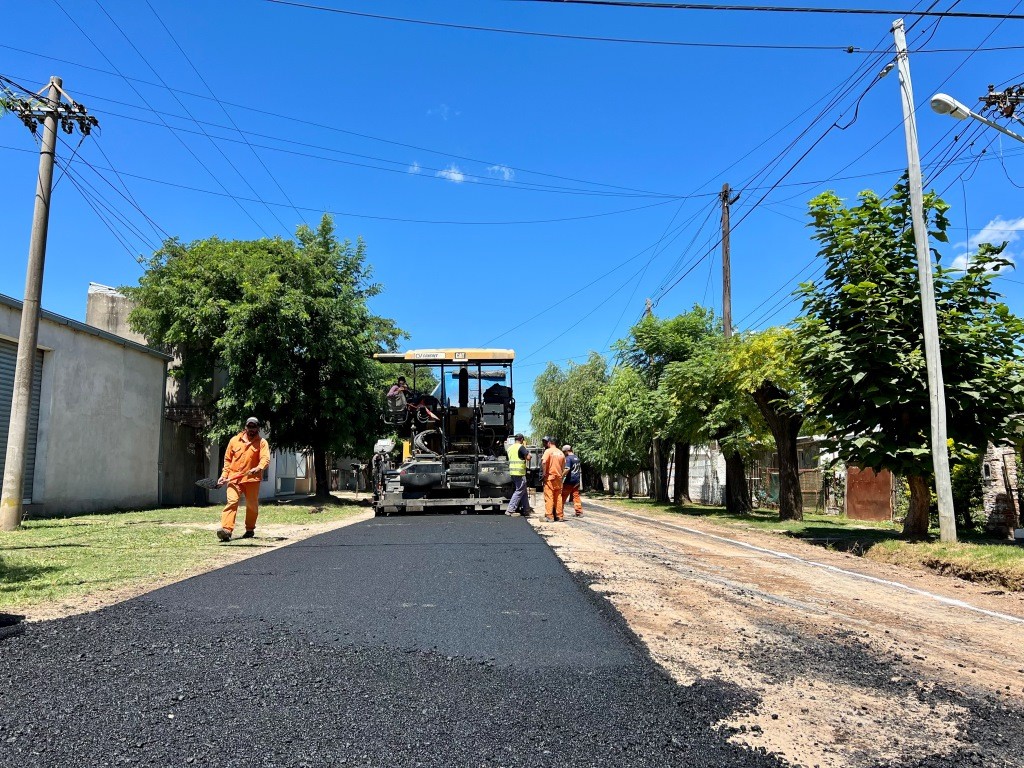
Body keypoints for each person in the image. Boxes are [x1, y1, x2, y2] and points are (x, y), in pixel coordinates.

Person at [216, 417, 271, 542]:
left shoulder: (262, 443)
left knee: (251, 505)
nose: (251, 429)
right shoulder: (234, 441)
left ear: (258, 428)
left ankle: (250, 529)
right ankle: (226, 530)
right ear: (245, 427)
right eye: (249, 426)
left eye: (254, 427)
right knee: (232, 502)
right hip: (234, 479)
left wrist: (258, 468)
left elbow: (265, 459)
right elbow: (228, 460)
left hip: (252, 479)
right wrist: (224, 476)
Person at [505, 434, 533, 517]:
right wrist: (529, 454)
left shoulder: (509, 448)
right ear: (521, 439)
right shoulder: (521, 447)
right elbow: (528, 457)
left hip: (513, 472)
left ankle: (526, 510)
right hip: (519, 472)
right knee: (519, 491)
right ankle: (510, 510)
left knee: (523, 491)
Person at [541, 436, 566, 522]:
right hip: (559, 477)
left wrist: (544, 473)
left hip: (550, 477)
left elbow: (544, 462)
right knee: (558, 496)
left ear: (549, 443)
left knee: (549, 496)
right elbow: (563, 467)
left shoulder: (548, 451)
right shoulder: (561, 453)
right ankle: (560, 516)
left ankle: (549, 516)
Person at [561, 445, 583, 517]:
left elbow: (567, 469)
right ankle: (579, 512)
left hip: (570, 480)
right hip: (577, 480)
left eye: (564, 452)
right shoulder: (577, 458)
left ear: (567, 451)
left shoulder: (568, 458)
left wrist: (561, 476)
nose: (564, 453)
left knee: (563, 496)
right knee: (576, 496)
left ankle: (559, 512)